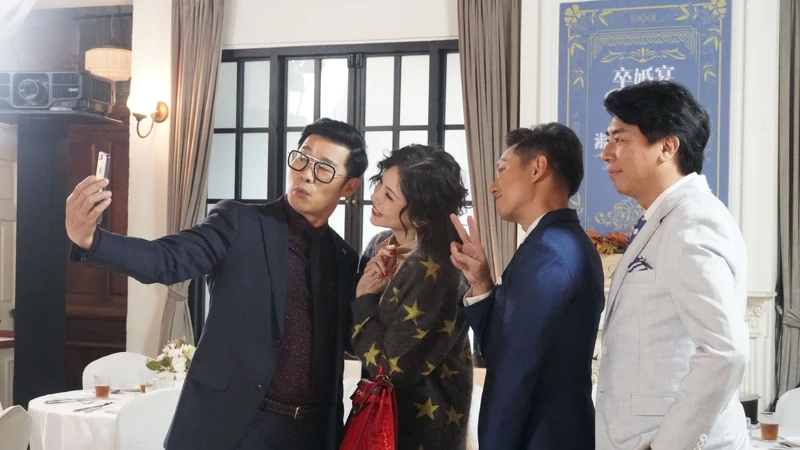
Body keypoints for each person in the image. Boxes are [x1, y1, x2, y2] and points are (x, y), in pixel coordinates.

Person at [65, 118, 368, 450]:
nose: (306, 174)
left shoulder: (344, 258)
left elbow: (349, 341)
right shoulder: (240, 223)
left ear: (349, 187)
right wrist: (91, 240)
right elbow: (167, 259)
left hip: (312, 434)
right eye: (302, 158)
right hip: (237, 428)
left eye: (323, 169)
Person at [596, 80, 750, 450]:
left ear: (667, 147)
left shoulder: (694, 221)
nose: (606, 153)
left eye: (620, 139)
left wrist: (670, 445)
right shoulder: (665, 217)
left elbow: (725, 351)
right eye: (608, 139)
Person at [449, 123, 604, 449]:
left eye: (503, 169)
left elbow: (514, 370)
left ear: (537, 168)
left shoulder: (549, 250)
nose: (493, 186)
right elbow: (505, 348)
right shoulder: (556, 242)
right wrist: (481, 282)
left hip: (540, 436)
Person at [351, 144, 473, 450]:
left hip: (421, 430)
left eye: (389, 195)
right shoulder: (380, 244)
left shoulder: (443, 267)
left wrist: (364, 298)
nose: (375, 196)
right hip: (378, 418)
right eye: (380, 184)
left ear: (420, 214)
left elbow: (392, 369)